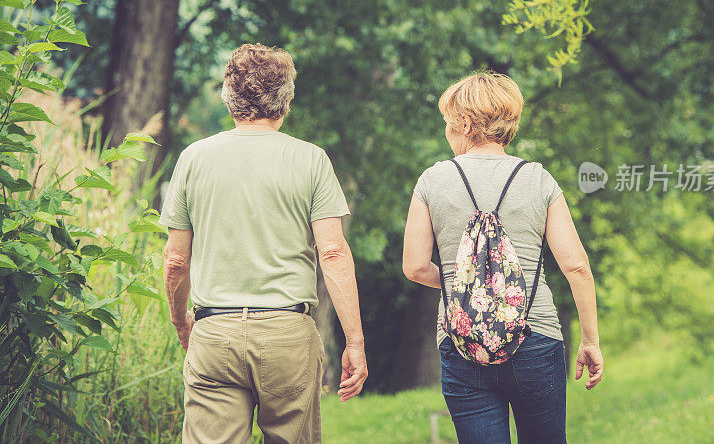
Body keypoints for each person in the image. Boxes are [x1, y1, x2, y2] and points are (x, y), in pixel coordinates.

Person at [159, 43, 368, 444]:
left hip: (213, 331)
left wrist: (179, 319)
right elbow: (333, 252)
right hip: (287, 334)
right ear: (286, 99)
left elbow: (174, 261)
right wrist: (354, 342)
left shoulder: (194, 158)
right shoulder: (311, 160)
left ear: (228, 97)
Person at [402, 72, 603, 443]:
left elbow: (414, 267)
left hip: (461, 339)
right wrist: (590, 341)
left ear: (464, 123)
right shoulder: (538, 179)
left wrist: (464, 282)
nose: (447, 134)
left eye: (448, 124)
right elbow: (576, 267)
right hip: (535, 335)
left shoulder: (432, 180)